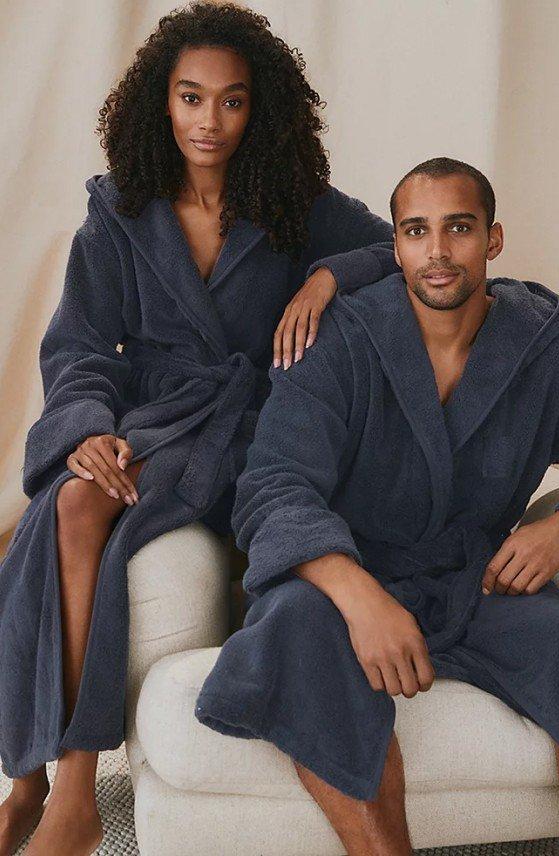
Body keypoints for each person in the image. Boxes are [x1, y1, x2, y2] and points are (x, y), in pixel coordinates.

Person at [0, 4, 397, 854]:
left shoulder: (290, 204)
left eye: (231, 101)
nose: (207, 122)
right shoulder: (120, 212)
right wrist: (87, 427)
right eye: (190, 98)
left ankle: (59, 785)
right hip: (146, 420)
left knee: (67, 514)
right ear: (160, 102)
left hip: (249, 426)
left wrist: (326, 279)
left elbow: (398, 247)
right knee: (64, 505)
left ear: (261, 110)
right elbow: (77, 341)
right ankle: (40, 781)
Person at [197, 156, 559, 855]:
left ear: (492, 240)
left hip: (475, 577)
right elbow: (274, 483)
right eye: (416, 231)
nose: (437, 252)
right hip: (342, 574)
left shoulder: (550, 351)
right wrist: (360, 596)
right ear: (395, 245)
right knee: (295, 628)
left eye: (458, 229)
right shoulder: (340, 337)